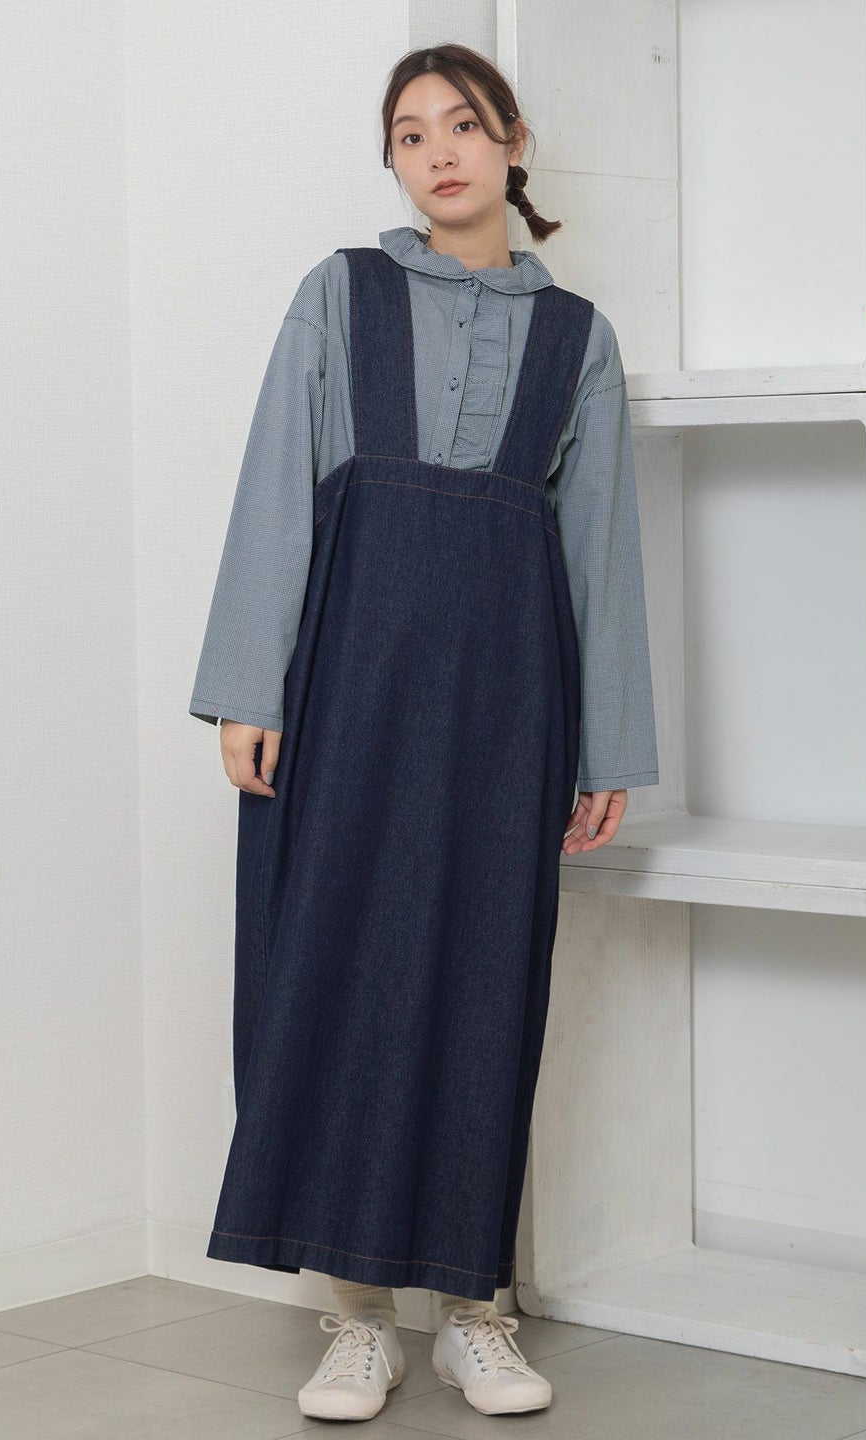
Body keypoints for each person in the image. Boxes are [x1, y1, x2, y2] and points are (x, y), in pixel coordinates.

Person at [189, 42, 658, 1423]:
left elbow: (601, 548)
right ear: (392, 162)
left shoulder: (579, 339)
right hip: (346, 683)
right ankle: (355, 1318)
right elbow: (277, 478)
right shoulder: (341, 294)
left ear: (513, 142)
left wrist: (606, 747)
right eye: (410, 133)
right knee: (330, 967)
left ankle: (473, 1312)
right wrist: (248, 688)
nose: (439, 151)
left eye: (463, 124)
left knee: (484, 976)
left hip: (507, 703)